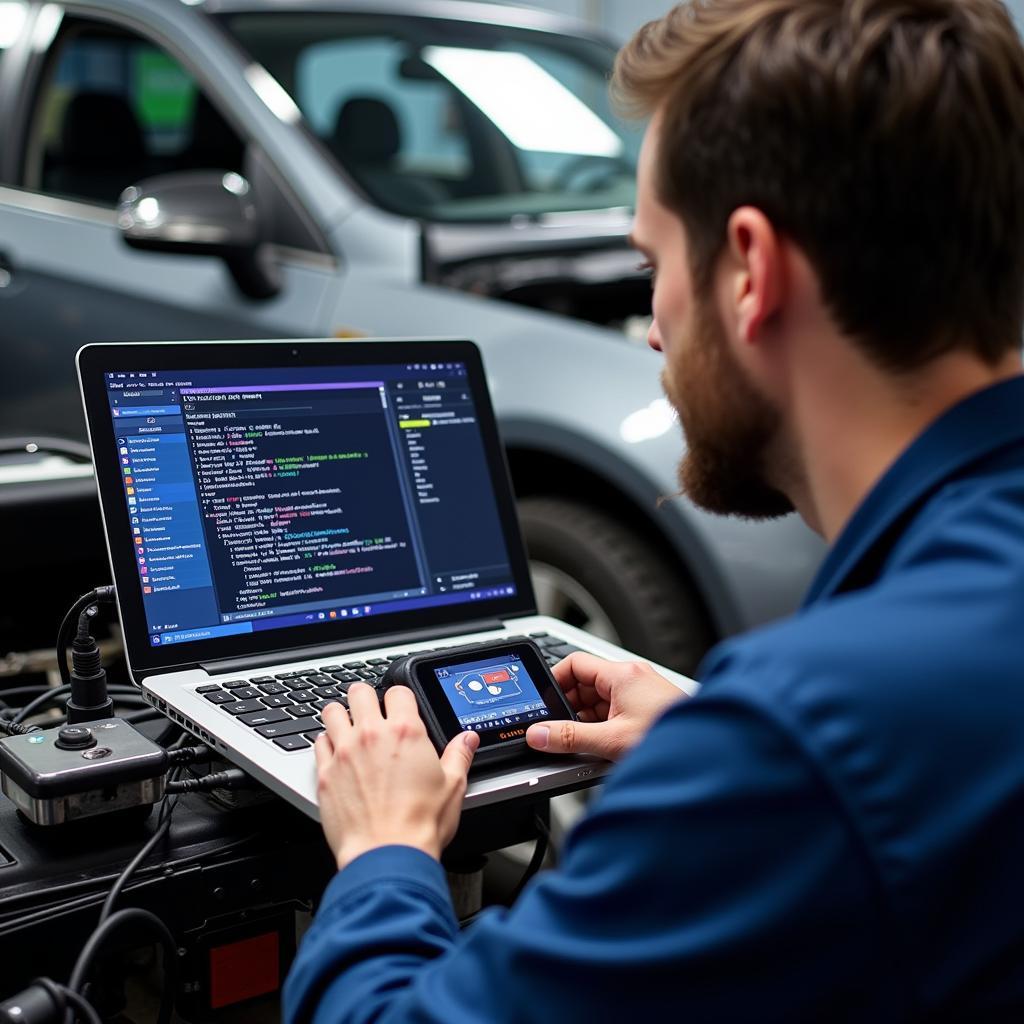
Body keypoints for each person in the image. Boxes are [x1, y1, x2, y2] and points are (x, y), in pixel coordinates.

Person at [284, 0, 1024, 1019]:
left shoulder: (805, 735)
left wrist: (382, 853)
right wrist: (716, 749)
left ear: (750, 273)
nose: (650, 327)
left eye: (653, 266)